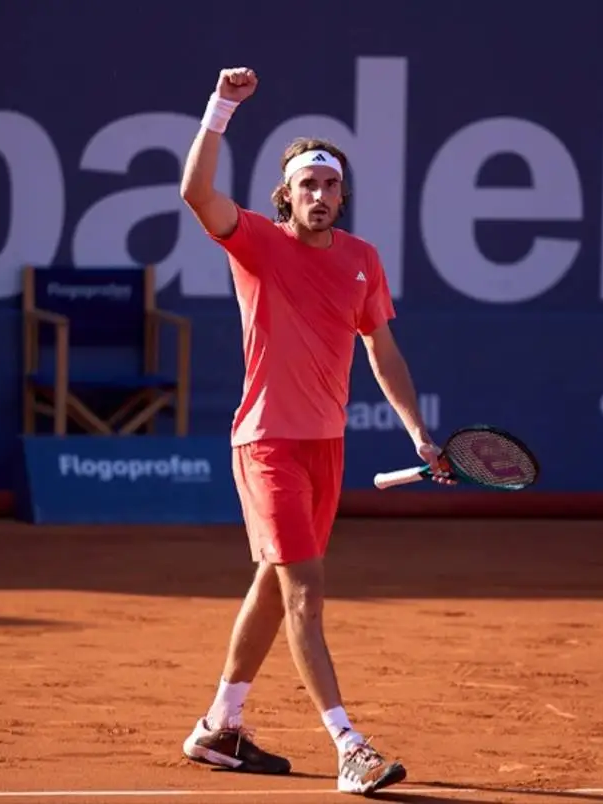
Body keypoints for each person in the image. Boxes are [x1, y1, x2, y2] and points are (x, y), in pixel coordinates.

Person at [177, 67, 450, 796]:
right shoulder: (258, 245)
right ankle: (349, 746)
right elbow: (196, 195)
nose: (321, 197)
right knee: (304, 588)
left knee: (274, 581)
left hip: (325, 447)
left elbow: (383, 353)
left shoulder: (363, 262)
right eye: (308, 186)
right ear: (286, 195)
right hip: (266, 444)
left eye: (331, 186)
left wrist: (419, 432)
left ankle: (219, 728)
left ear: (341, 195)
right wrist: (222, 107)